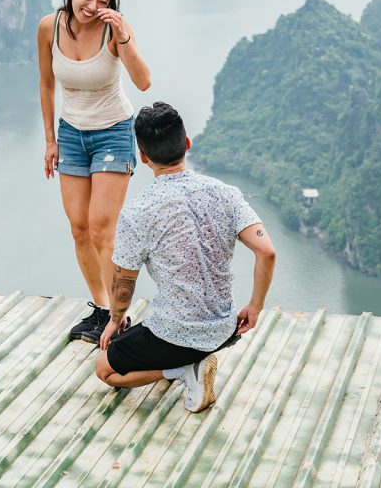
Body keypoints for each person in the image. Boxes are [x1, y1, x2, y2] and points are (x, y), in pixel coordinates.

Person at [94, 102, 277, 412]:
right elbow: (267, 251)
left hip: (174, 336)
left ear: (143, 157)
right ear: (187, 144)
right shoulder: (225, 193)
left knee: (105, 369)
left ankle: (181, 371)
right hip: (224, 329)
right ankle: (188, 362)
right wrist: (255, 307)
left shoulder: (138, 211)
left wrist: (114, 320)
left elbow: (124, 283)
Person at [38, 0, 151, 343]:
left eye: (103, 0)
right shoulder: (48, 27)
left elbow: (143, 81)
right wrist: (50, 140)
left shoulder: (114, 31)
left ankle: (121, 319)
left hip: (113, 132)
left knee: (103, 228)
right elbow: (46, 84)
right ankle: (102, 310)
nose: (92, 6)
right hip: (71, 135)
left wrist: (123, 37)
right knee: (79, 228)